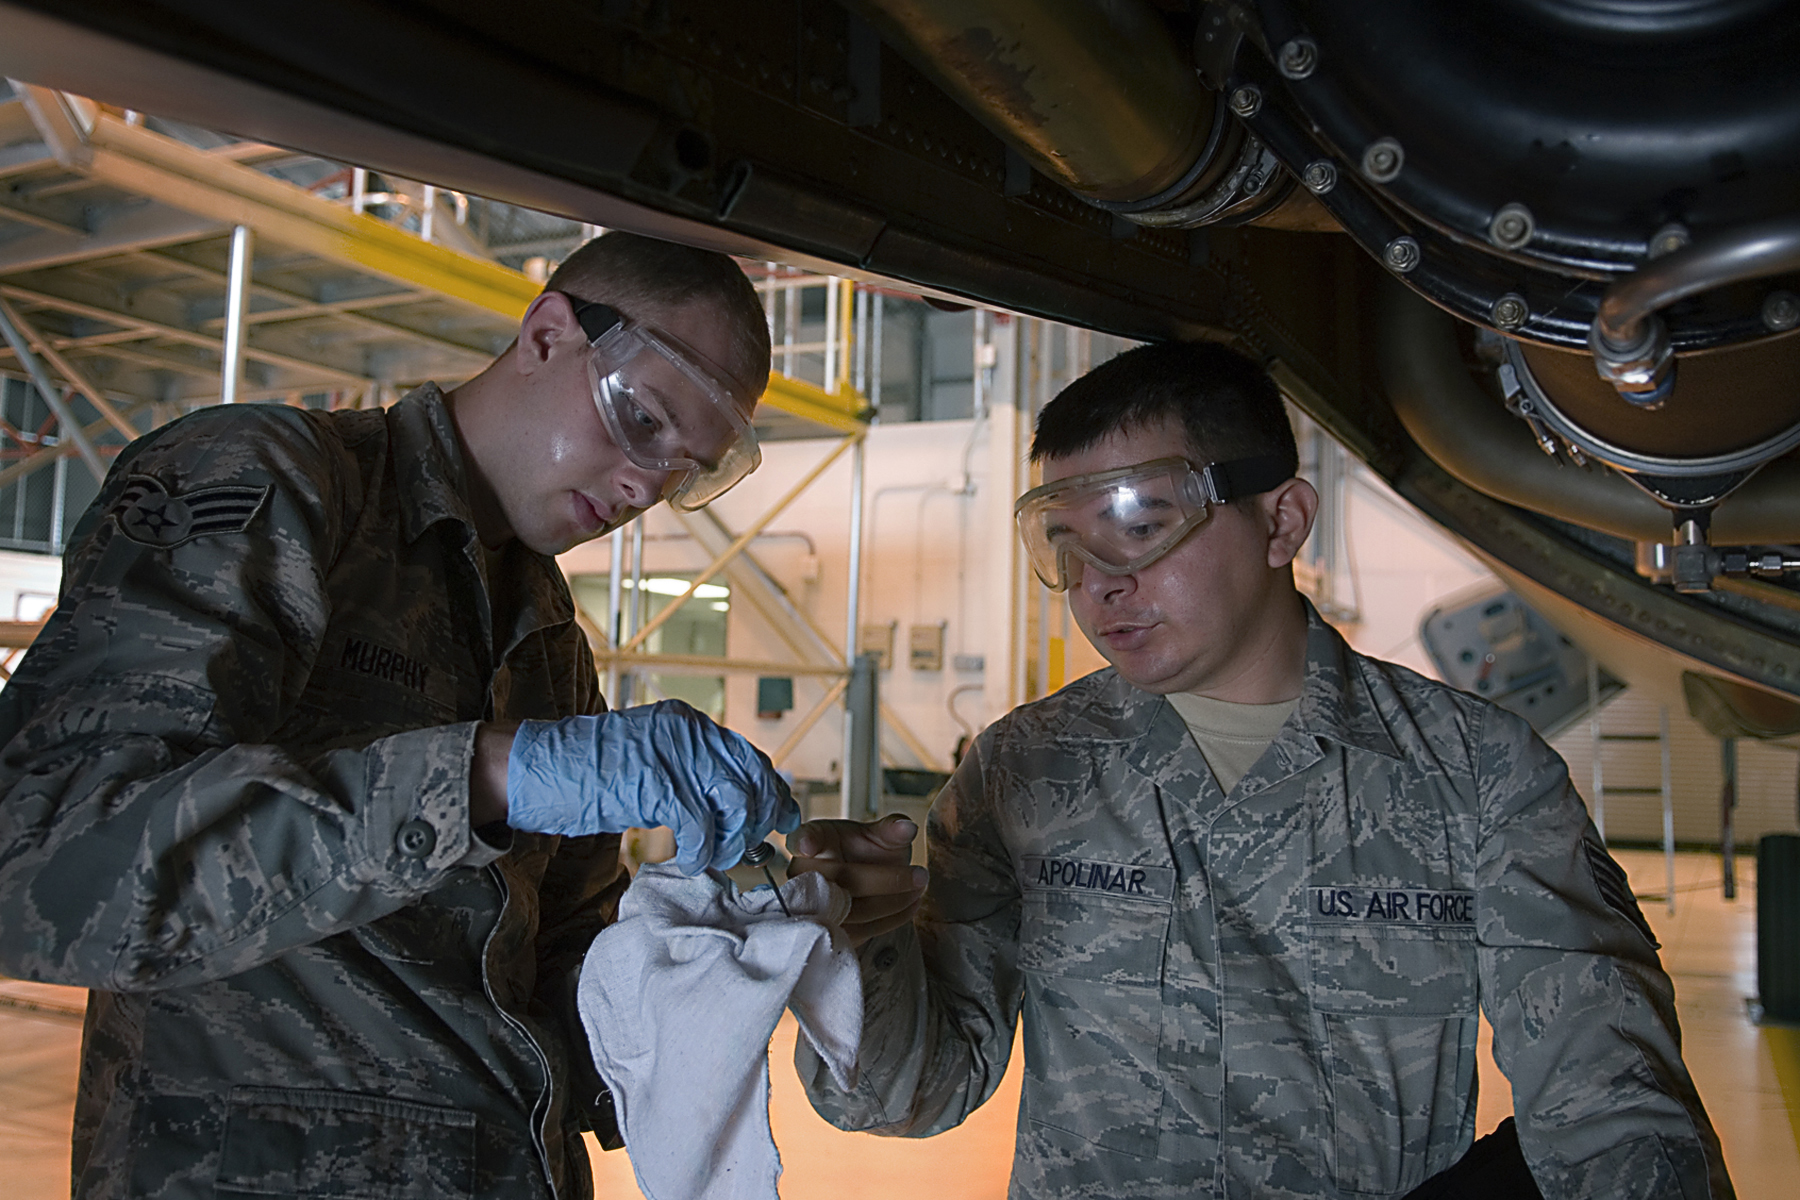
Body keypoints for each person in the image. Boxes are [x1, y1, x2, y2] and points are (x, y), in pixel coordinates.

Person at [788, 341, 1732, 1199]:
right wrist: (860, 945)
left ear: (1282, 522)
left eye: (1140, 524)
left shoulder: (1475, 774)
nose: (1099, 582)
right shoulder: (1023, 772)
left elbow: (1611, 1105)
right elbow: (914, 1091)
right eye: (1067, 543)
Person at [0, 231, 799, 1200]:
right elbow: (40, 862)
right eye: (639, 419)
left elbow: (561, 988)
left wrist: (730, 950)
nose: (645, 488)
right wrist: (482, 776)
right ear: (548, 333)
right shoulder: (281, 487)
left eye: (685, 471)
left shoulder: (546, 641)